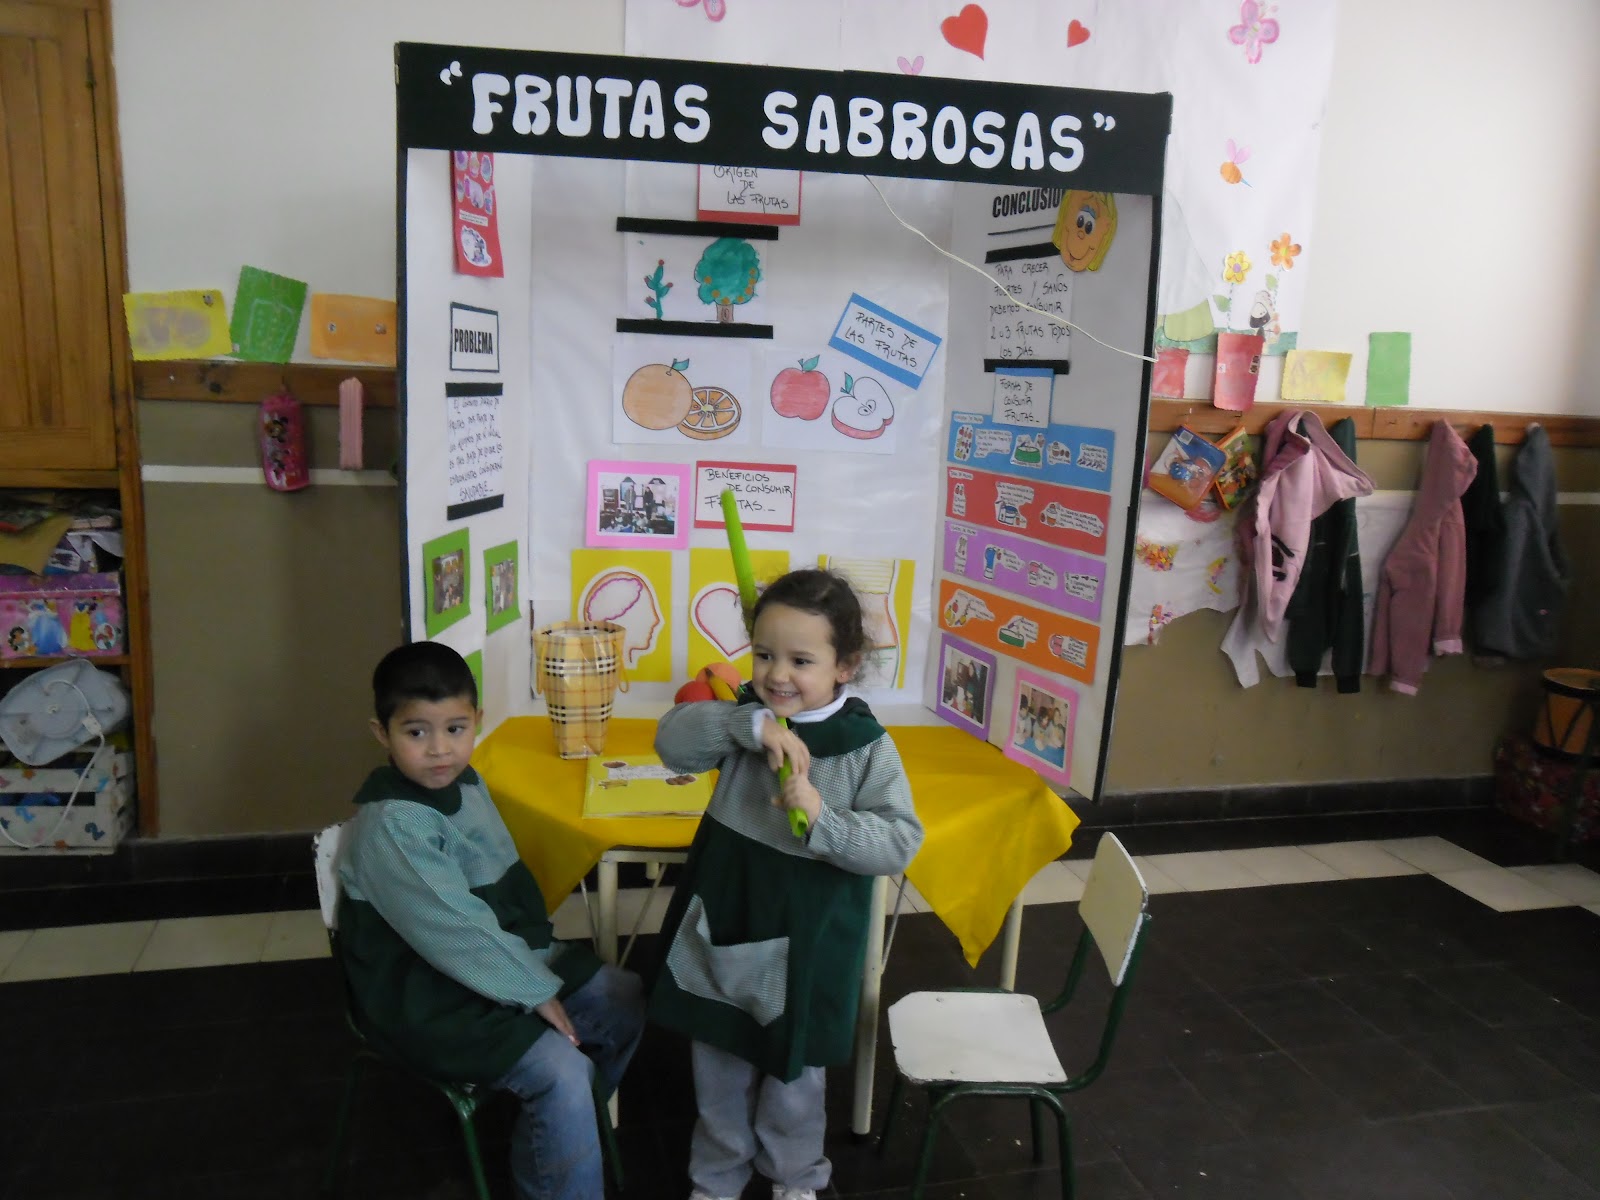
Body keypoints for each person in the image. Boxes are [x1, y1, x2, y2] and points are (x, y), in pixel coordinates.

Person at [649, 569, 924, 1200]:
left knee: (793, 1072)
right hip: (728, 920)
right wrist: (747, 727)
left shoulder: (865, 747)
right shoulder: (745, 716)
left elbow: (898, 841)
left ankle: (796, 1175)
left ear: (845, 664)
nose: (777, 675)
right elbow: (671, 743)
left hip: (809, 941)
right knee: (718, 1056)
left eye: (802, 660)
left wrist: (825, 820)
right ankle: (716, 1177)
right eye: (765, 654)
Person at [337, 641, 644, 1200]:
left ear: (477, 721)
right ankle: (559, 1142)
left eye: (455, 729)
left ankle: (551, 1137)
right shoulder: (392, 826)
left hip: (491, 961)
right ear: (382, 733)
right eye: (416, 733)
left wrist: (534, 974)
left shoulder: (468, 783)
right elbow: (455, 930)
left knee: (622, 997)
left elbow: (496, 894)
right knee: (562, 1071)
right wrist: (533, 989)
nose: (439, 751)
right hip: (422, 993)